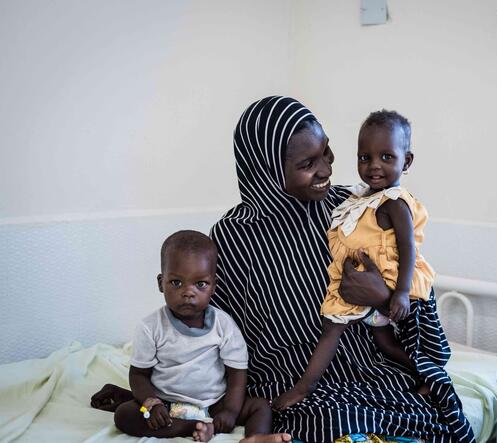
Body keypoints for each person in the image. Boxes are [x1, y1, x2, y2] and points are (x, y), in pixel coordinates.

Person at [92, 96, 475, 443]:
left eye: (328, 153)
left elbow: (413, 288)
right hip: (286, 374)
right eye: (308, 164)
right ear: (266, 169)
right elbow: (209, 327)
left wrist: (382, 295)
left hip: (369, 360)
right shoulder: (233, 235)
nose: (326, 169)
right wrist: (157, 393)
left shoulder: (353, 208)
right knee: (321, 419)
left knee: (431, 403)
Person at [272, 109, 436, 411]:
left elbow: (408, 247)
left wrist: (398, 292)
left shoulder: (395, 202)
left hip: (385, 283)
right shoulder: (354, 199)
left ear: (407, 161)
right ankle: (304, 387)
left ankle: (428, 374)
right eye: (365, 157)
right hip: (352, 290)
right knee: (346, 333)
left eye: (387, 157)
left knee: (386, 343)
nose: (374, 166)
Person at [111, 230, 291, 443]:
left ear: (213, 286)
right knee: (124, 415)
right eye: (177, 283)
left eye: (200, 284)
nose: (188, 292)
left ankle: (255, 437)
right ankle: (192, 428)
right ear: (161, 283)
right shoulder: (151, 327)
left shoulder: (223, 325)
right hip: (168, 404)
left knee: (260, 406)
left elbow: (237, 373)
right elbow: (139, 375)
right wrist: (152, 402)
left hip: (214, 403)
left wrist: (231, 412)